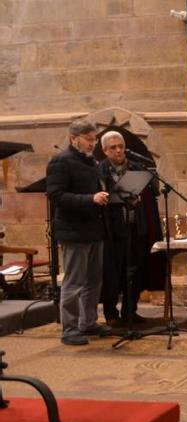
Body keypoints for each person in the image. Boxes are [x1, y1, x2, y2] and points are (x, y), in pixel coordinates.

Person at [46, 119, 110, 345]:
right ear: (74, 139)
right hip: (73, 231)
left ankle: (88, 323)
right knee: (74, 281)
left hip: (93, 230)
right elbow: (56, 196)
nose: (93, 144)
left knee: (93, 280)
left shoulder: (91, 162)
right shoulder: (61, 161)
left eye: (94, 139)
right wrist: (90, 199)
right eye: (89, 139)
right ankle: (70, 329)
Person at [99, 131, 161, 326]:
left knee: (135, 271)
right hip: (112, 231)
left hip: (136, 226)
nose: (118, 150)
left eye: (121, 146)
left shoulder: (136, 167)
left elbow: (154, 192)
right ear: (104, 150)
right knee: (112, 272)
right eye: (113, 147)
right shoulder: (99, 171)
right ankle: (111, 314)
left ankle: (130, 311)